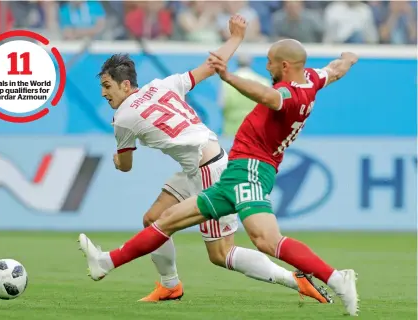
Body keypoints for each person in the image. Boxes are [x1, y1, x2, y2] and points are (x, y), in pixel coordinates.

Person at [80, 26, 335, 305]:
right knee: (153, 219)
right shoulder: (161, 85)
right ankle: (170, 286)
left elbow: (125, 165)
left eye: (107, 86)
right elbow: (209, 67)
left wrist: (118, 158)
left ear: (125, 85)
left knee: (220, 253)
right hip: (200, 161)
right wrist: (236, 38)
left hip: (207, 170)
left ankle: (294, 279)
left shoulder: (122, 118)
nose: (104, 94)